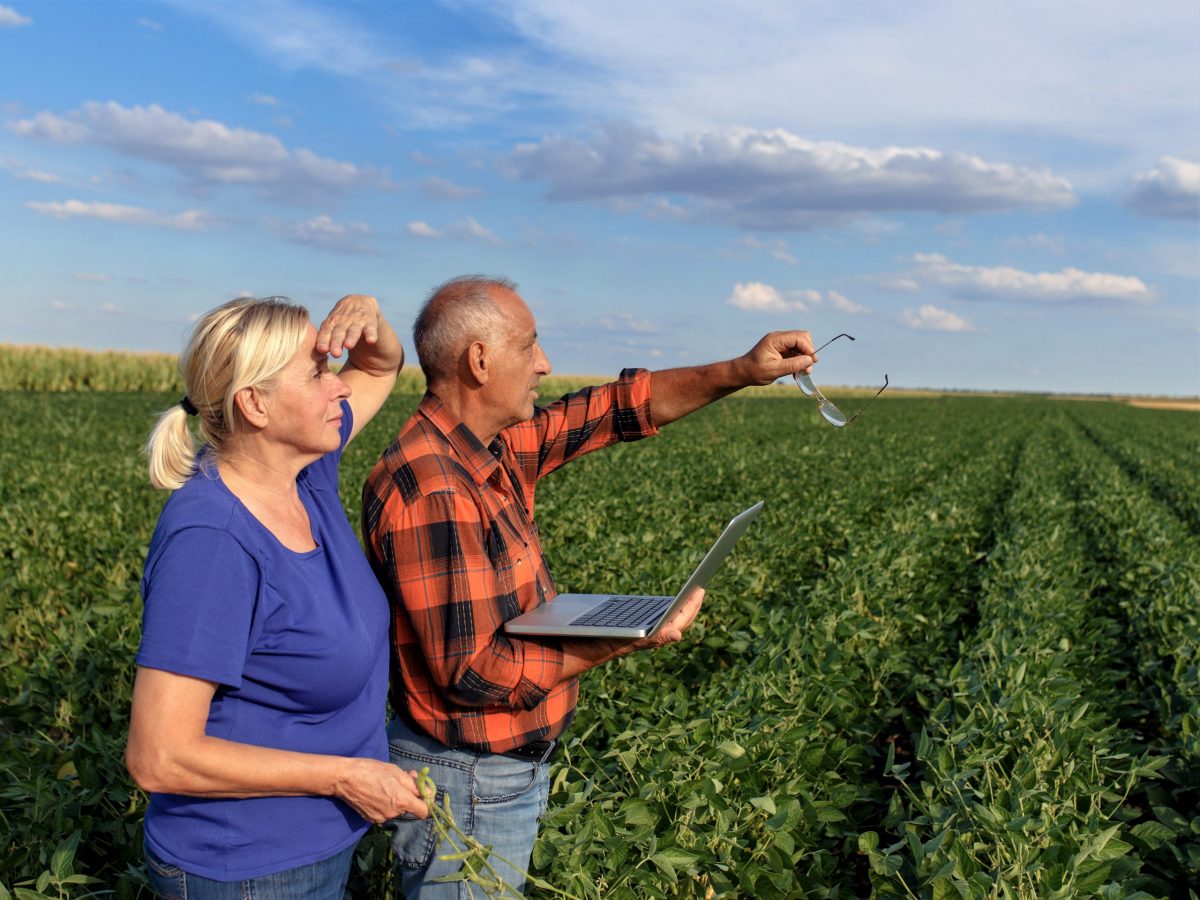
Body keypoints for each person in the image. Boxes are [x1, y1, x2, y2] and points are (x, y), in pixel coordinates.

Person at [362, 275, 818, 895]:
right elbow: (476, 673)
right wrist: (623, 634)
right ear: (479, 360)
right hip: (469, 782)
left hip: (494, 776)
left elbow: (612, 410)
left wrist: (742, 368)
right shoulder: (432, 486)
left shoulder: (490, 447)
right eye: (529, 347)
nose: (543, 364)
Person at [126, 293, 429, 899]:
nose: (337, 387)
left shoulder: (302, 472)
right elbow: (158, 756)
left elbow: (377, 367)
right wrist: (344, 777)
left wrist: (371, 321)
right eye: (317, 372)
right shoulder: (213, 542)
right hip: (247, 868)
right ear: (256, 404)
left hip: (312, 848)